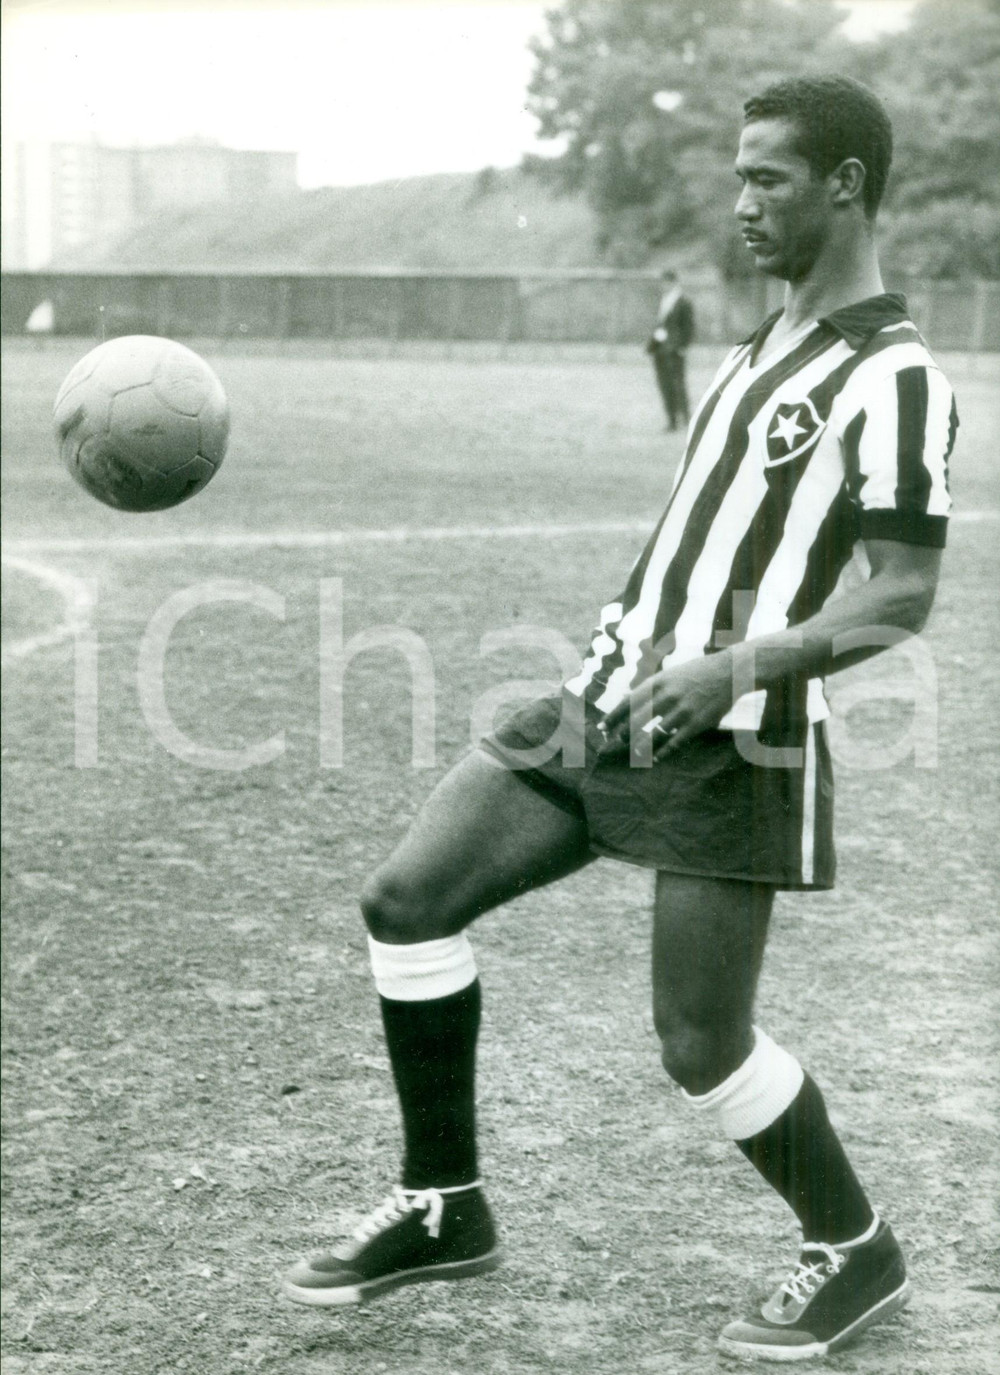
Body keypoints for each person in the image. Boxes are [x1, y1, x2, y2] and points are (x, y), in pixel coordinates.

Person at [283, 75, 957, 1363]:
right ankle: (444, 1202)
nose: (740, 201)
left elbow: (903, 593)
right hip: (604, 695)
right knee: (407, 901)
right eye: (738, 175)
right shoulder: (762, 341)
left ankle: (854, 1245)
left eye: (766, 177)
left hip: (738, 732)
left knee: (698, 1042)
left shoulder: (895, 375)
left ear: (844, 185)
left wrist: (734, 666)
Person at [646, 268, 695, 430]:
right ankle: (671, 419)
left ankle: (685, 418)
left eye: (666, 282)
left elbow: (689, 327)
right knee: (664, 384)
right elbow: (661, 325)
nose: (663, 286)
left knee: (678, 384)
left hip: (675, 349)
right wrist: (653, 345)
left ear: (674, 283)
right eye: (662, 283)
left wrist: (683, 346)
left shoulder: (683, 302)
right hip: (661, 349)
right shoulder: (663, 300)